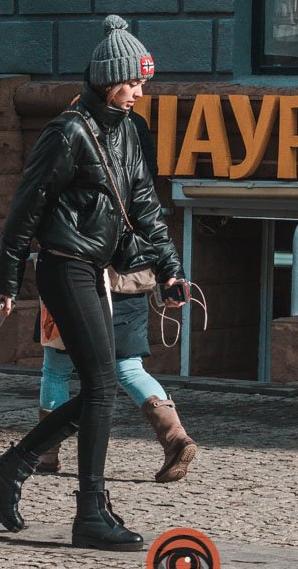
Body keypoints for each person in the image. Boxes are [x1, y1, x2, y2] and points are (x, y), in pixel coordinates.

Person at [0, 15, 186, 551]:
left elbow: (144, 204)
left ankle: (10, 469)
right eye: (130, 82)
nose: (138, 92)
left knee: (102, 383)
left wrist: (171, 269)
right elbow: (26, 207)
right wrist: (7, 278)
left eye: (142, 83)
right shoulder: (68, 131)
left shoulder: (127, 131)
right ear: (104, 78)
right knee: (100, 383)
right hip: (63, 265)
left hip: (95, 268)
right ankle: (88, 511)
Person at [36, 113, 197, 484]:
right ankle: (175, 438)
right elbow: (156, 228)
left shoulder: (75, 165)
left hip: (76, 281)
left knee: (56, 368)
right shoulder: (142, 180)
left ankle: (45, 451)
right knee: (128, 368)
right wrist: (171, 274)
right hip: (130, 283)